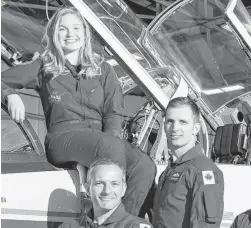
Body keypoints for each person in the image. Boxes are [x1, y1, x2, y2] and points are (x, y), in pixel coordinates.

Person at [1, 7, 156, 216]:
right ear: (54, 35)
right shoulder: (43, 67)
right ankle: (106, 221)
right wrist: (10, 95)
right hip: (62, 138)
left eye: (75, 28)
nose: (70, 34)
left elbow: (113, 114)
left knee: (144, 165)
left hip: (100, 140)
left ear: (84, 33)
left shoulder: (103, 69)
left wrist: (112, 148)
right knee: (109, 145)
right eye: (62, 29)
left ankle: (125, 227)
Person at [147, 97, 225, 228]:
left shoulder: (203, 171)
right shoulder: (170, 171)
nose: (175, 128)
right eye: (170, 121)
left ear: (196, 128)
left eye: (183, 122)